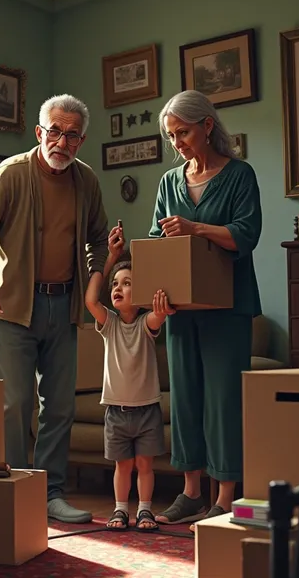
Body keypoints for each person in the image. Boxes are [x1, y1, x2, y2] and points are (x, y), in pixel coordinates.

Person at [0, 94, 109, 524]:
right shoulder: (11, 174)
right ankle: (13, 488)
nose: (62, 142)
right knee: (14, 403)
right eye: (56, 132)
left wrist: (93, 285)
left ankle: (50, 493)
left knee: (59, 406)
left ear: (82, 140)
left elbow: (98, 239)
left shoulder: (87, 181)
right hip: (12, 308)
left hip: (63, 307)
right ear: (40, 132)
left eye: (73, 135)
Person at [149, 89, 262, 527]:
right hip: (181, 307)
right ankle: (192, 492)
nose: (177, 143)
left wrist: (195, 227)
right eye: (171, 136)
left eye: (184, 133)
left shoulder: (240, 175)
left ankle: (226, 495)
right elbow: (157, 240)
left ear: (208, 126)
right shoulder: (168, 182)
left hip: (227, 306)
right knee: (187, 400)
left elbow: (245, 234)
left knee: (223, 399)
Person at [85, 224, 174, 531]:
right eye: (115, 284)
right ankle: (121, 510)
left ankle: (145, 510)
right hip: (116, 411)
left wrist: (161, 298)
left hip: (147, 409)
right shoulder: (108, 323)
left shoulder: (145, 324)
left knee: (145, 465)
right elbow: (91, 301)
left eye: (127, 283)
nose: (118, 288)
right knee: (123, 466)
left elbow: (158, 314)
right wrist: (110, 259)